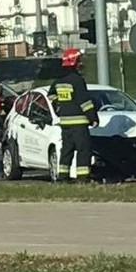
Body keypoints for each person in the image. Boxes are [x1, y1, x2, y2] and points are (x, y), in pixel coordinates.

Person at [48, 48, 98, 183]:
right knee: (83, 150)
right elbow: (85, 102)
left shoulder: (58, 81)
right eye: (79, 61)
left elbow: (51, 96)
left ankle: (63, 177)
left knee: (67, 151)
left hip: (65, 123)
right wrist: (93, 118)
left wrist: (58, 108)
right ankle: (83, 177)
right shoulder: (77, 80)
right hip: (79, 123)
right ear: (75, 62)